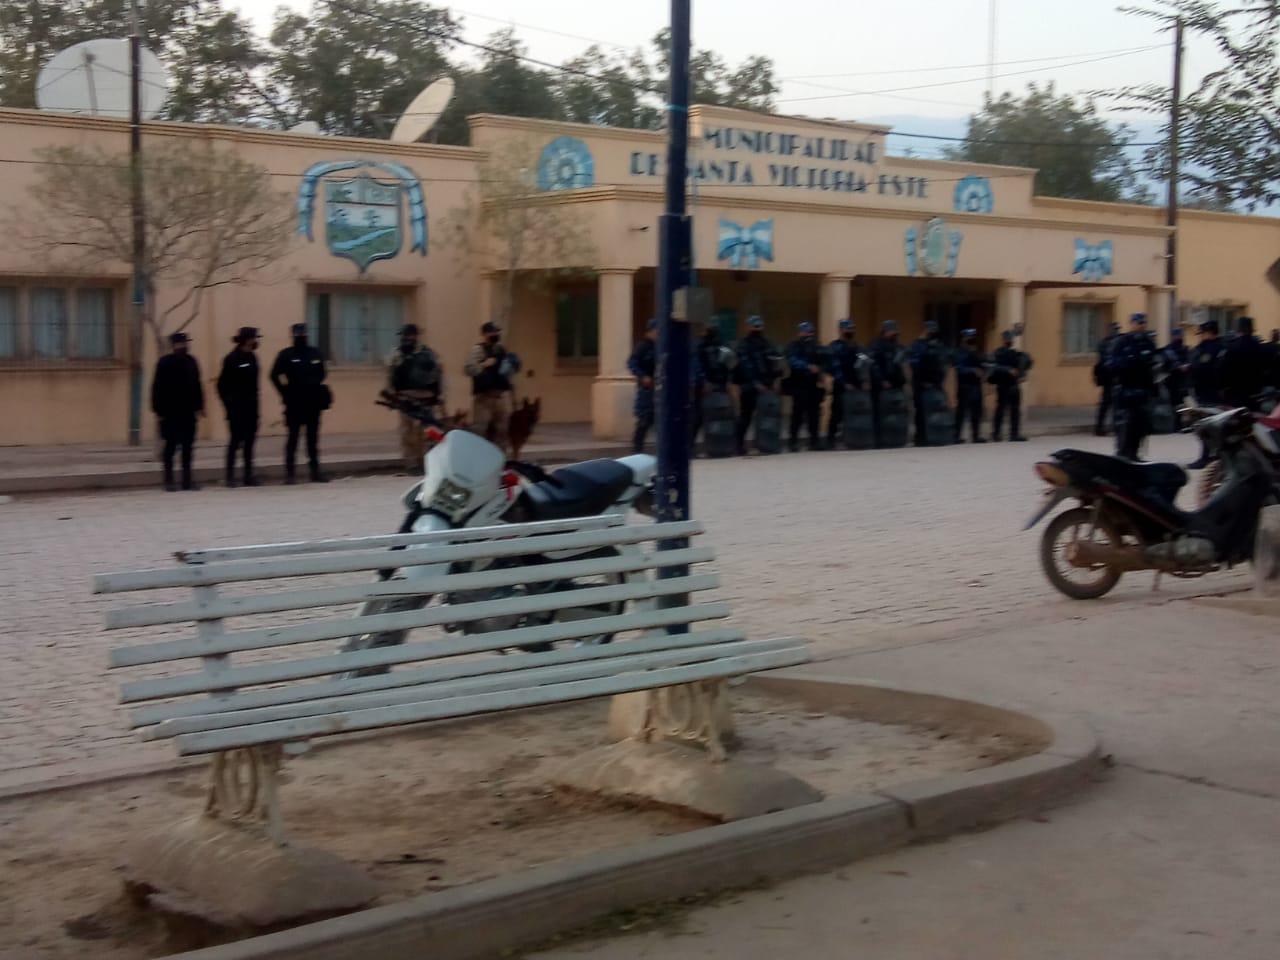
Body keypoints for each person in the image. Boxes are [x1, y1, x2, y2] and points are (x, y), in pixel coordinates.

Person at [270, 322, 329, 484]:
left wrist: (314, 384)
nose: (301, 337)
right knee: (293, 439)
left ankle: (315, 472)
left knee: (312, 439)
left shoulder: (315, 353)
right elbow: (274, 375)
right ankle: (290, 474)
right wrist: (284, 392)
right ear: (293, 336)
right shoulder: (286, 354)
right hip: (294, 403)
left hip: (313, 403)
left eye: (303, 334)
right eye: (298, 334)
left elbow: (323, 373)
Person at [386, 323, 444, 473]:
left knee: (424, 432)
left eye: (408, 335)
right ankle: (411, 464)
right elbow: (390, 374)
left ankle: (424, 462)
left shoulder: (428, 353)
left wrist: (438, 395)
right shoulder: (397, 354)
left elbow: (437, 373)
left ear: (415, 336)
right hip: (405, 397)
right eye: (404, 336)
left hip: (425, 397)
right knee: (407, 432)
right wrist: (392, 395)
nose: (405, 338)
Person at [151, 331, 204, 492]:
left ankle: (187, 481)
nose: (184, 346)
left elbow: (197, 385)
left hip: (188, 411)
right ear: (174, 345)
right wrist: (158, 411)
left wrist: (200, 406)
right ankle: (169, 481)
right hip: (170, 412)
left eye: (185, 343)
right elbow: (157, 388)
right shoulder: (165, 363)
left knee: (188, 447)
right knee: (171, 447)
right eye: (181, 343)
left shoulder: (191, 361)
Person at [1108, 312, 1158, 460]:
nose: (1141, 326)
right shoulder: (1122, 342)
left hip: (1142, 389)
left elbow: (1154, 363)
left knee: (1140, 425)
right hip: (1125, 389)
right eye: (1138, 323)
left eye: (1143, 323)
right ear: (1132, 324)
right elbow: (1111, 364)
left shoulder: (1148, 342)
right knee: (1124, 425)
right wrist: (1128, 364)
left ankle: (1134, 454)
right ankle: (1122, 453)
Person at [464, 321, 517, 455]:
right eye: (492, 332)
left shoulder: (500, 349)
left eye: (496, 332)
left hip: (500, 396)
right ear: (484, 334)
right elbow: (469, 369)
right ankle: (479, 458)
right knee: (480, 430)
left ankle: (500, 459)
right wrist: (484, 365)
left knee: (502, 431)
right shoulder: (478, 350)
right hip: (484, 398)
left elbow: (507, 372)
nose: (495, 334)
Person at [217, 326, 261, 487]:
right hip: (237, 408)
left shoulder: (253, 357)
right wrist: (229, 405)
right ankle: (230, 477)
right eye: (254, 338)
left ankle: (248, 476)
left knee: (249, 442)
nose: (256, 341)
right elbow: (221, 385)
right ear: (247, 340)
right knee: (235, 442)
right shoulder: (232, 358)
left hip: (251, 407)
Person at [733, 315, 781, 455]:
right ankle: (738, 446)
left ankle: (765, 444)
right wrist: (756, 383)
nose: (757, 329)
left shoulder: (768, 343)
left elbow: (776, 362)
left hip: (767, 386)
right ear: (748, 327)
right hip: (749, 386)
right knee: (746, 416)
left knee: (767, 418)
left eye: (759, 326)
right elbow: (745, 366)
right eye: (754, 326)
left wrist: (776, 381)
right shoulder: (743, 344)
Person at [784, 320, 827, 451]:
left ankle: (814, 442)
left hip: (813, 385)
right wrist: (807, 366)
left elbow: (823, 360)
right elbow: (792, 361)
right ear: (800, 333)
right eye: (806, 332)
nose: (809, 334)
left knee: (814, 415)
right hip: (799, 384)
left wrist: (821, 371)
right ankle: (793, 442)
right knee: (797, 415)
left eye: (810, 332)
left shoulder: (816, 346)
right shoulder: (794, 346)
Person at [693, 324, 734, 448]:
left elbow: (731, 365)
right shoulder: (701, 346)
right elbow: (697, 365)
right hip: (705, 387)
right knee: (699, 418)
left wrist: (728, 381)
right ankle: (691, 447)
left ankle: (721, 446)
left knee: (721, 417)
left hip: (719, 386)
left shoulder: (722, 346)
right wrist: (704, 381)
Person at [908, 320, 948, 446]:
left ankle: (935, 436)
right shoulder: (918, 345)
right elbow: (915, 364)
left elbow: (942, 364)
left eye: (934, 330)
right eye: (931, 330)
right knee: (921, 411)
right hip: (921, 384)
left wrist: (939, 380)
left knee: (935, 411)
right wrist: (923, 381)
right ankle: (920, 438)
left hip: (936, 384)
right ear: (925, 330)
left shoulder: (938, 345)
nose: (933, 333)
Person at [826, 318, 864, 449]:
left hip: (856, 386)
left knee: (854, 413)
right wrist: (844, 383)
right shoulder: (834, 346)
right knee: (837, 413)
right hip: (841, 385)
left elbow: (864, 362)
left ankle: (851, 439)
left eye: (852, 328)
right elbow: (833, 366)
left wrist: (864, 380)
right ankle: (831, 441)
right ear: (841, 330)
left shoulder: (857, 346)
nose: (850, 331)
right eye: (848, 328)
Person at [868, 320, 906, 447]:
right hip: (880, 385)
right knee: (879, 413)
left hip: (896, 385)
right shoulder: (876, 345)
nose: (895, 334)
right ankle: (879, 441)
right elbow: (873, 365)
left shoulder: (897, 346)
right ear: (885, 331)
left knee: (896, 413)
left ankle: (895, 439)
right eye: (892, 332)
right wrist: (881, 381)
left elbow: (900, 365)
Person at [1218, 315, 1270, 409]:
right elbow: (1266, 369)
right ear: (1252, 329)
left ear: (1238, 329)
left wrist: (1222, 388)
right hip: (1255, 392)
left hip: (1235, 393)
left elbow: (1223, 371)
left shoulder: (1231, 347)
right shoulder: (1261, 347)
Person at [990, 329, 1030, 442]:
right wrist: (1008, 370)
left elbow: (1023, 365)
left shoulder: (1016, 354)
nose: (1009, 341)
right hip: (1003, 385)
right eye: (1007, 339)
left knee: (1015, 411)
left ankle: (1014, 434)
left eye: (1010, 339)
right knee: (1000, 410)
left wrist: (1022, 374)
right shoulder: (998, 353)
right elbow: (994, 366)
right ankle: (996, 434)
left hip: (1014, 385)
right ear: (1004, 340)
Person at [627, 318, 657, 454]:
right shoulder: (642, 347)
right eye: (656, 331)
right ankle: (637, 450)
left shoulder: (660, 347)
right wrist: (642, 376)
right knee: (644, 419)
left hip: (659, 388)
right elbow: (632, 363)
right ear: (650, 331)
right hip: (646, 389)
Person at [952, 328, 987, 443]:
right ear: (964, 338)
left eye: (972, 337)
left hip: (976, 385)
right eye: (969, 337)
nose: (971, 339)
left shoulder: (976, 351)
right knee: (961, 412)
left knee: (976, 411)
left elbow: (982, 364)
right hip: (964, 385)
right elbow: (959, 369)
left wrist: (983, 371)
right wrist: (973, 370)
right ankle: (956, 436)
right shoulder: (959, 352)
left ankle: (976, 435)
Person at [1094, 321, 1121, 436]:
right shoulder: (1108, 343)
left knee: (1108, 404)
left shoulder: (1108, 343)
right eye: (1115, 329)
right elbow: (1104, 361)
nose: (1115, 331)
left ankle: (1102, 427)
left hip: (1111, 377)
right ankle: (1104, 428)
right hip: (1110, 377)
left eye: (1116, 329)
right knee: (1111, 404)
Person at [1190, 319, 1225, 406]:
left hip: (1207, 391)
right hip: (1218, 391)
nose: (1201, 336)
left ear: (1209, 333)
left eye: (1202, 333)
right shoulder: (1223, 345)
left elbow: (1201, 366)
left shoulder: (1208, 348)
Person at [1161, 327, 1191, 414]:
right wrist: (1177, 367)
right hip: (1172, 383)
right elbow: (1165, 366)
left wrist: (1187, 366)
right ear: (1173, 336)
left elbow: (1190, 361)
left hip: (1184, 383)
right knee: (1174, 409)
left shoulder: (1185, 349)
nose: (1179, 337)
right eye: (1177, 335)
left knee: (1185, 408)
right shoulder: (1168, 350)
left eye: (1180, 335)